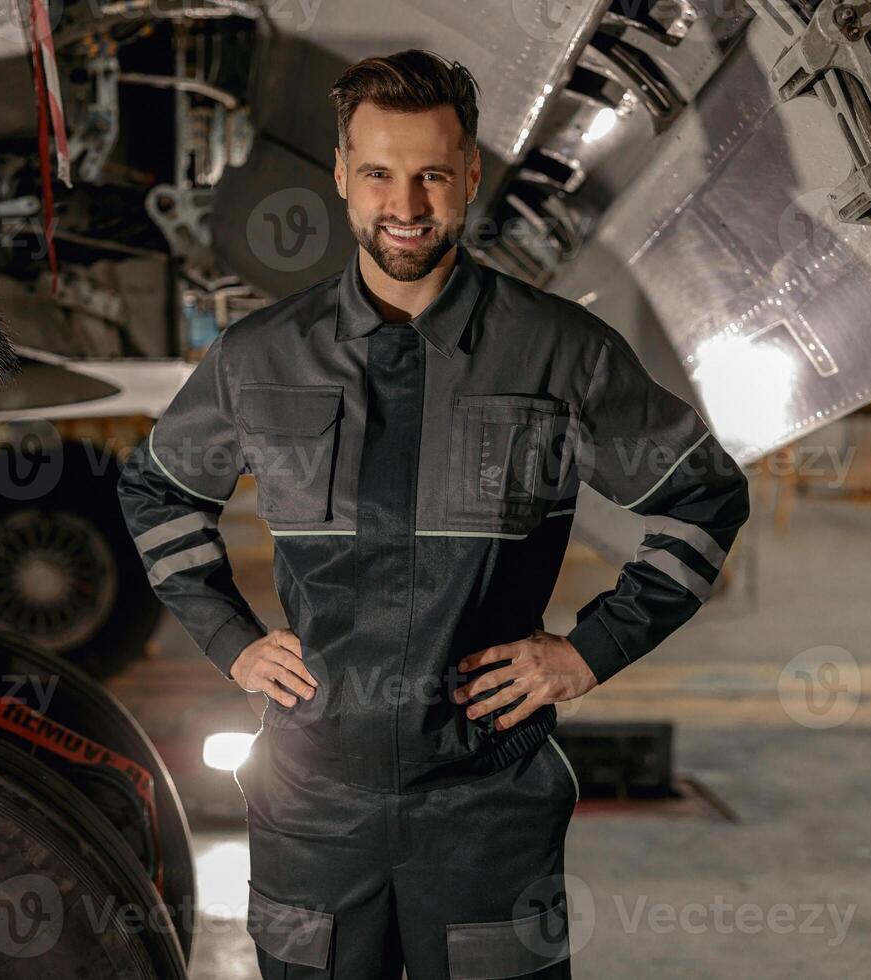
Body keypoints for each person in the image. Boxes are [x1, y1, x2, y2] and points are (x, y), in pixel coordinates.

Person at [117, 48, 751, 979]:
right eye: (378, 173)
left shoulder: (561, 352)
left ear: (469, 178)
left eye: (431, 176)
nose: (405, 206)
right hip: (311, 807)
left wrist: (586, 652)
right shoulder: (261, 357)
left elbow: (703, 498)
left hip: (489, 806)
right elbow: (159, 490)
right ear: (340, 177)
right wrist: (231, 639)